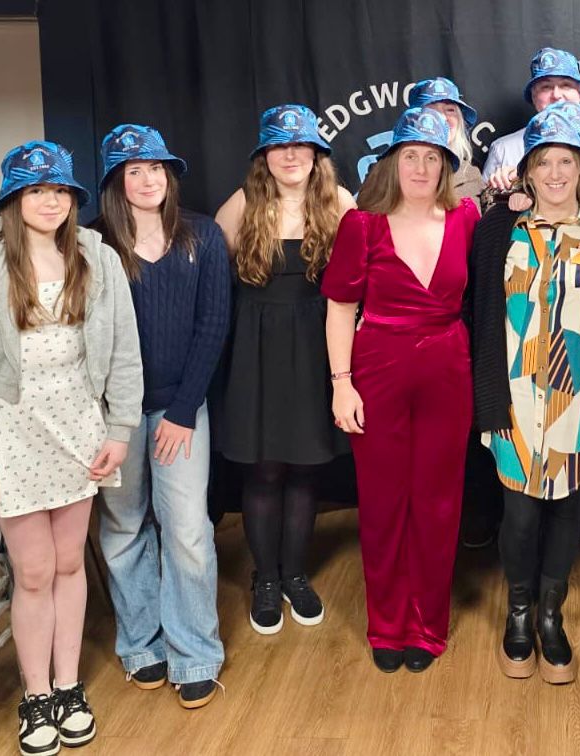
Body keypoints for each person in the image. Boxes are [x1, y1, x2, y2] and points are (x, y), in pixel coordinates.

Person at [0, 141, 142, 755]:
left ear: (73, 200)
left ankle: (67, 685)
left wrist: (119, 429)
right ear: (13, 200)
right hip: (13, 436)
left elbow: (125, 351)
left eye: (59, 190)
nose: (50, 200)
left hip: (80, 428)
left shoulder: (98, 259)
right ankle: (35, 696)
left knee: (67, 564)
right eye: (36, 190)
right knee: (31, 572)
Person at [470, 108, 580, 684]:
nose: (556, 172)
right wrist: (488, 403)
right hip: (514, 397)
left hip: (576, 402)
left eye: (567, 161)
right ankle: (519, 613)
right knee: (518, 512)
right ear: (526, 171)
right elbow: (479, 318)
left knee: (566, 508)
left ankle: (553, 614)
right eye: (544, 162)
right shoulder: (497, 229)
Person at [322, 107, 478, 673]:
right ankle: (386, 623)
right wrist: (342, 386)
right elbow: (340, 308)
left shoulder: (466, 219)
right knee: (385, 502)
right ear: (391, 163)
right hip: (378, 368)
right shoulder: (361, 224)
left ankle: (427, 624)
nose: (419, 166)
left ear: (445, 167)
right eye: (409, 155)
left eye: (431, 158)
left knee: (438, 502)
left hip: (447, 369)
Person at [93, 124, 229, 709]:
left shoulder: (204, 234)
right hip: (111, 418)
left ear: (169, 176)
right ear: (115, 184)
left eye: (156, 169)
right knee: (124, 529)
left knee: (188, 531)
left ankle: (194, 650)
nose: (148, 180)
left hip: (180, 408)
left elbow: (212, 325)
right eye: (133, 171)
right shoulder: (93, 245)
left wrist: (181, 411)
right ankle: (141, 644)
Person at [214, 103, 355, 635]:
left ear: (316, 153)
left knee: (304, 467)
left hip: (316, 346)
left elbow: (365, 273)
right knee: (263, 469)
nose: (291, 155)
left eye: (300, 146)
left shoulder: (339, 202)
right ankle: (265, 578)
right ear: (265, 156)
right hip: (257, 350)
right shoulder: (244, 203)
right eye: (280, 145)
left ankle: (295, 575)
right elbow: (214, 266)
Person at [482, 47, 580, 190]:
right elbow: (487, 205)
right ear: (533, 97)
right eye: (546, 87)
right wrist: (507, 184)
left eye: (566, 85)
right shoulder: (504, 150)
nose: (556, 95)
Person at [408, 77, 485, 204]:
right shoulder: (391, 172)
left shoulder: (471, 175)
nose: (443, 118)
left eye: (450, 110)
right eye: (431, 110)